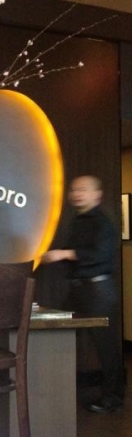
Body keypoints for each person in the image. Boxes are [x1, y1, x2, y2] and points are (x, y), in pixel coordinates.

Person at [41, 175, 125, 413]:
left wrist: (65, 254)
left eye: (83, 189)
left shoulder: (103, 223)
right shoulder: (77, 221)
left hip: (99, 289)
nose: (77, 193)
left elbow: (99, 254)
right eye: (74, 189)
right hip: (78, 289)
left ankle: (113, 398)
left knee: (105, 346)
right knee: (58, 335)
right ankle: (53, 391)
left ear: (97, 195)